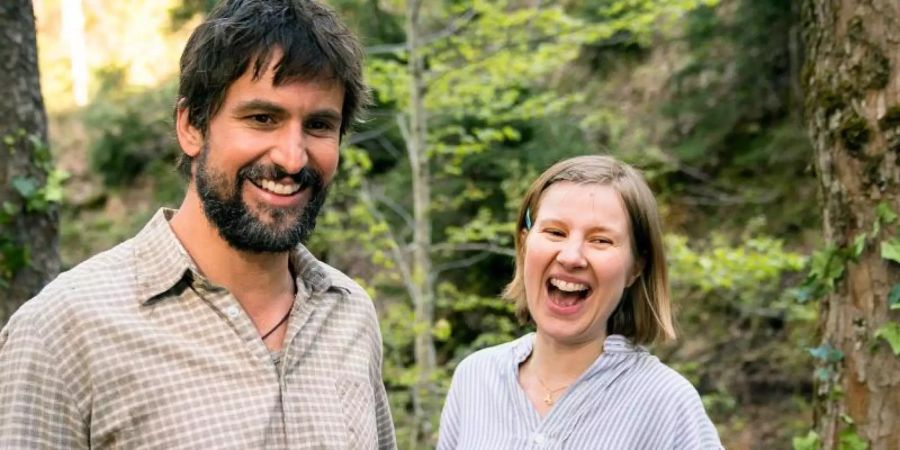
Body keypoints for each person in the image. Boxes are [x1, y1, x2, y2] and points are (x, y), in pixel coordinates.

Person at [0, 1, 396, 448]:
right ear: (191, 126)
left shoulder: (350, 314)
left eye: (319, 125)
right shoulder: (62, 332)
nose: (292, 157)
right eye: (262, 118)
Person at [437, 155, 722, 449]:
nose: (571, 256)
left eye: (600, 240)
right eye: (555, 232)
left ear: (636, 267)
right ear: (524, 243)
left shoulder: (666, 402)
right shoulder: (475, 378)